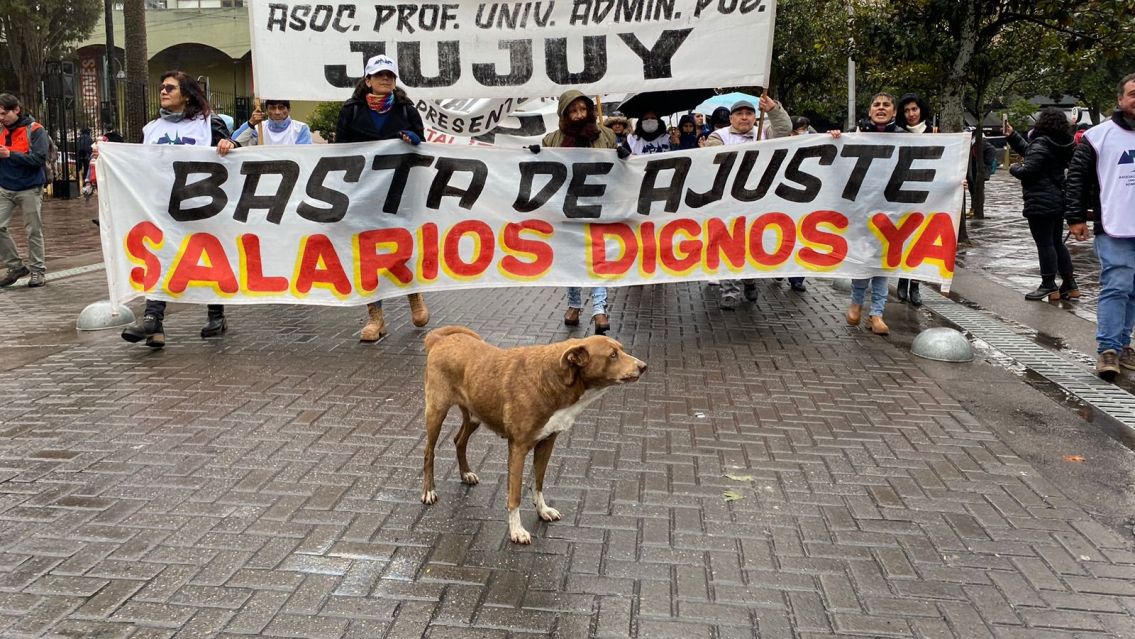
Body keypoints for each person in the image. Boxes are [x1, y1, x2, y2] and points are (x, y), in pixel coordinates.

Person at [119, 72, 239, 347]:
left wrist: (228, 144)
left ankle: (216, 313)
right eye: (161, 87)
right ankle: (153, 321)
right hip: (161, 206)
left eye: (170, 88)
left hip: (202, 205)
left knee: (206, 258)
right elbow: (137, 162)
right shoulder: (151, 129)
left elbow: (238, 153)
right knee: (158, 258)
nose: (163, 91)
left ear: (186, 94)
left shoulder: (208, 124)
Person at [334, 54, 431, 342]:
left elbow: (422, 146)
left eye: (390, 75)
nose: (386, 79)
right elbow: (339, 152)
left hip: (401, 192)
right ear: (368, 81)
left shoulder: (406, 110)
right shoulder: (350, 111)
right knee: (368, 254)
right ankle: (375, 318)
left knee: (403, 246)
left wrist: (414, 141)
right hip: (363, 193)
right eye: (380, 75)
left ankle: (414, 296)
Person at [1066, 72, 1135, 381]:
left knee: (1133, 290)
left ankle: (1123, 344)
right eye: (1133, 94)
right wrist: (1076, 217)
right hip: (1114, 224)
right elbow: (1077, 178)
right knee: (1117, 284)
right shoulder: (1098, 136)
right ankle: (1108, 349)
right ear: (1120, 99)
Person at [537, 89, 619, 334]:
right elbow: (542, 169)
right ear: (564, 113)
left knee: (597, 257)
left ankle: (599, 309)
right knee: (572, 259)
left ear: (590, 111)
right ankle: (574, 305)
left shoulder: (605, 135)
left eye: (583, 109)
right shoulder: (551, 139)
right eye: (573, 111)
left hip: (598, 205)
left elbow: (619, 169)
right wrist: (534, 156)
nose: (579, 115)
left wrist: (623, 157)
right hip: (566, 207)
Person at [703, 96, 792, 309]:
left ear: (755, 116)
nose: (745, 118)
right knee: (729, 245)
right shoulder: (719, 136)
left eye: (749, 113)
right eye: (739, 114)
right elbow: (713, 158)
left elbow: (784, 128)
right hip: (728, 200)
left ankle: (750, 280)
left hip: (758, 201)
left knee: (753, 245)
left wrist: (774, 109)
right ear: (731, 118)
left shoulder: (765, 133)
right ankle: (729, 291)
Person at [1004, 108, 1077, 302]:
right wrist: (1012, 136)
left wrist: (1014, 168)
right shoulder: (1062, 144)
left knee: (1045, 244)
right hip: (1057, 199)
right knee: (1055, 242)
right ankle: (1069, 284)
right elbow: (1032, 152)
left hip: (1040, 201)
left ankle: (1048, 284)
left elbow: (1030, 169)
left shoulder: (1041, 143)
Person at [848, 92, 904, 336]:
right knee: (862, 260)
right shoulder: (855, 135)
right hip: (861, 208)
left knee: (882, 262)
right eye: (876, 105)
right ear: (870, 110)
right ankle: (856, 303)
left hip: (890, 210)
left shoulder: (907, 139)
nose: (881, 108)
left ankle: (877, 313)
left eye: (886, 105)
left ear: (894, 111)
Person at [0, 93, 49, 289]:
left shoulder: (35, 130)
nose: (1, 118)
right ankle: (15, 266)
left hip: (30, 187)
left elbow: (39, 159)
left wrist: (10, 154)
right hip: (5, 187)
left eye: (4, 113)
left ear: (16, 110)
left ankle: (37, 270)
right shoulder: (0, 130)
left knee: (33, 230)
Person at [895, 93, 937, 306]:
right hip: (903, 195)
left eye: (914, 109)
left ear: (921, 110)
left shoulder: (936, 133)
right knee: (904, 239)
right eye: (907, 110)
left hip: (927, 196)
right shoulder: (897, 134)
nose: (911, 114)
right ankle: (903, 278)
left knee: (921, 241)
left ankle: (916, 285)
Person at [228, 99, 312, 148]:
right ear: (267, 111)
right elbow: (234, 142)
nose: (277, 112)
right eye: (272, 108)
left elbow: (303, 156)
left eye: (281, 107)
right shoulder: (258, 129)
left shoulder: (301, 129)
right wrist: (251, 123)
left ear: (289, 109)